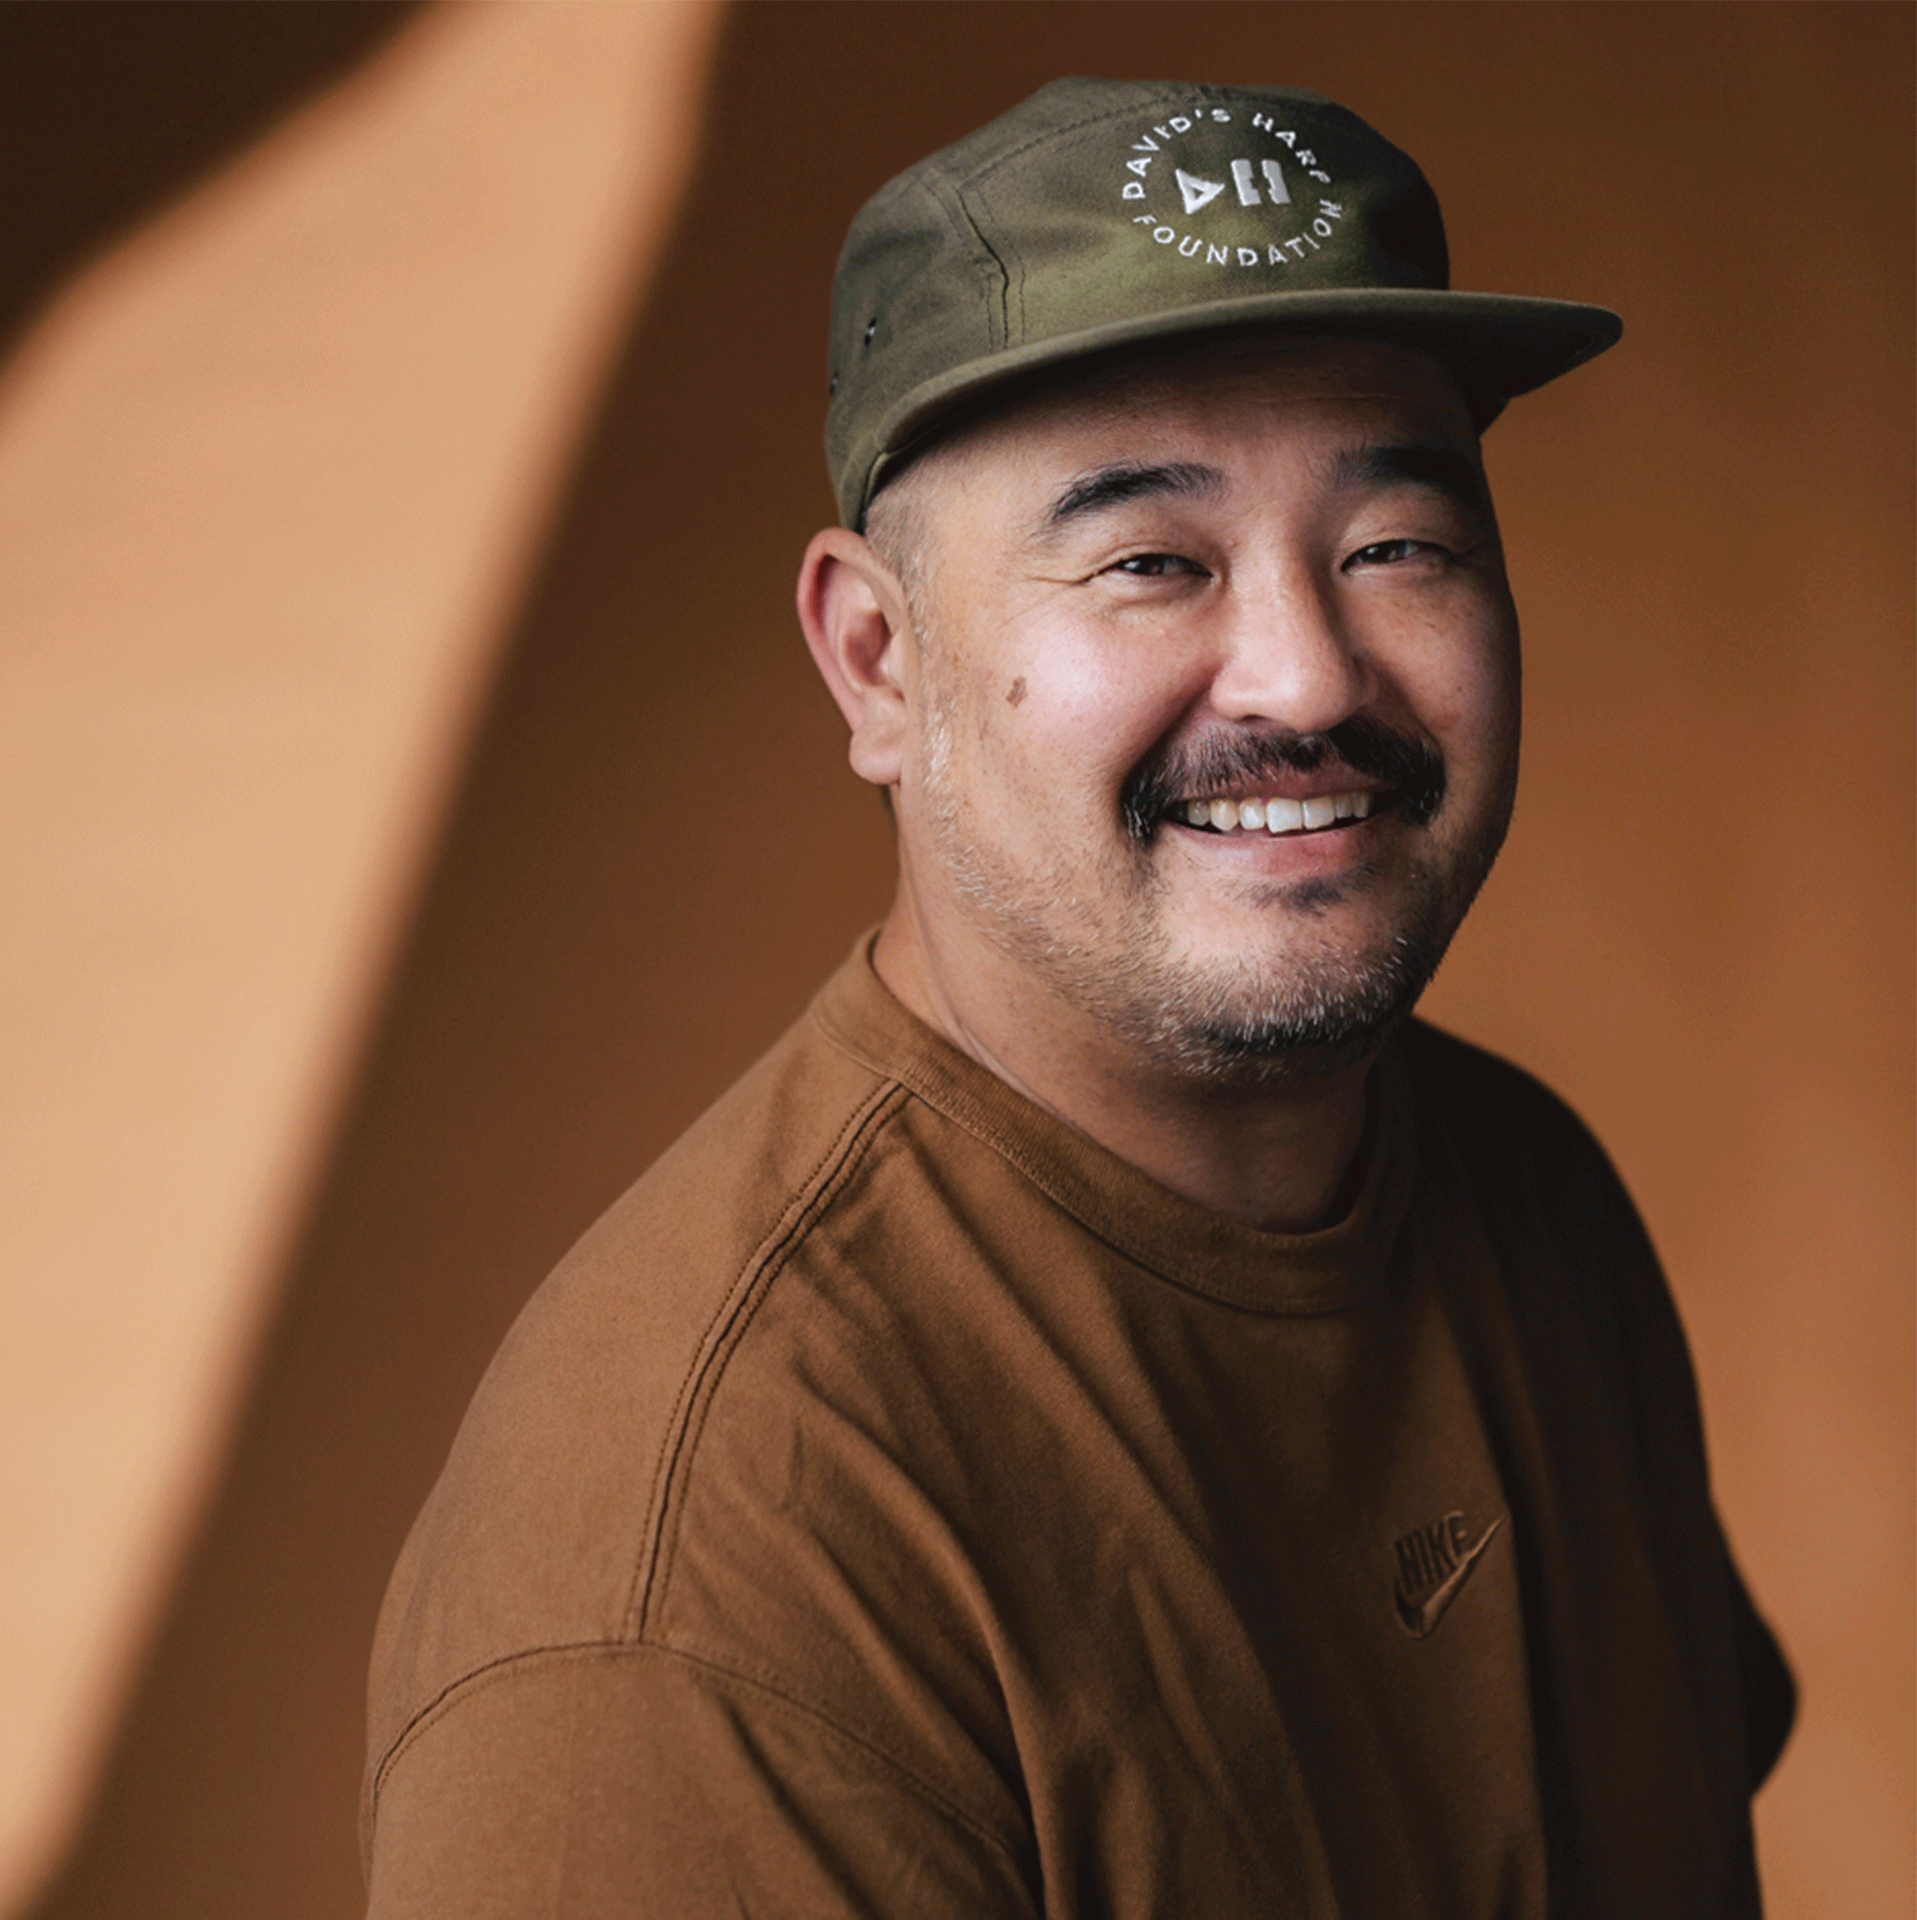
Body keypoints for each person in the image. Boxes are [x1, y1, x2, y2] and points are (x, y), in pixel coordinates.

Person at [360, 79, 1793, 1916]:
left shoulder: (1531, 1195)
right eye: (1148, 564)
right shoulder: (692, 1586)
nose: (1304, 675)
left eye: (1398, 545)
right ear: (878, 663)